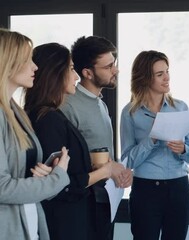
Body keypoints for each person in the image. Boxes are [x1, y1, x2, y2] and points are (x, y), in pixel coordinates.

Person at [24, 42, 113, 240]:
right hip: (66, 221)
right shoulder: (48, 119)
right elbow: (62, 185)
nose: (76, 76)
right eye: (72, 69)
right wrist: (103, 172)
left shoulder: (49, 114)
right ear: (55, 74)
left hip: (72, 217)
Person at [0, 28, 70, 240]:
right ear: (8, 62)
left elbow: (19, 173)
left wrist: (46, 171)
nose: (35, 66)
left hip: (29, 225)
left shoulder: (15, 111)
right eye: (27, 60)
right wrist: (57, 177)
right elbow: (2, 188)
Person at [60, 35, 133, 240]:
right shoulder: (68, 105)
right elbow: (64, 160)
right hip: (83, 203)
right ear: (87, 73)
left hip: (105, 198)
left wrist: (117, 170)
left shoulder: (100, 102)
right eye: (108, 66)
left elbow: (99, 150)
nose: (116, 70)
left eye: (114, 64)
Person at [120, 50, 189, 240]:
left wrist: (183, 150)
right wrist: (152, 139)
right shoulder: (130, 112)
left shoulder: (180, 107)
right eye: (160, 74)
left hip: (179, 189)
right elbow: (128, 161)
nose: (167, 78)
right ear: (145, 78)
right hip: (145, 191)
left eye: (167, 71)